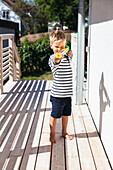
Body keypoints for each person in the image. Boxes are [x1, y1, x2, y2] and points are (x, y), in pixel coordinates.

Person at [48, 30, 73, 143]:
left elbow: (70, 58)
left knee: (65, 115)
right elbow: (56, 60)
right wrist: (61, 54)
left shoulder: (67, 58)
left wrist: (70, 53)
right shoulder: (53, 58)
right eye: (57, 46)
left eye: (63, 46)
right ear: (51, 46)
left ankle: (64, 132)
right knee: (55, 115)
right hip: (57, 94)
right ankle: (52, 133)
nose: (60, 49)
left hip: (67, 94)